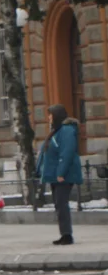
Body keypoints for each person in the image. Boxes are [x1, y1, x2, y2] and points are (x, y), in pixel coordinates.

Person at [36, 104, 83, 245]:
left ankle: (67, 235)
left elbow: (67, 153)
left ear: (57, 116)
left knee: (61, 204)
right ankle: (64, 233)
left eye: (50, 115)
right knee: (58, 204)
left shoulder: (66, 131)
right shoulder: (56, 131)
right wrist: (39, 170)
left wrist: (61, 172)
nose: (49, 118)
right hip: (55, 174)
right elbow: (47, 152)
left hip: (63, 175)